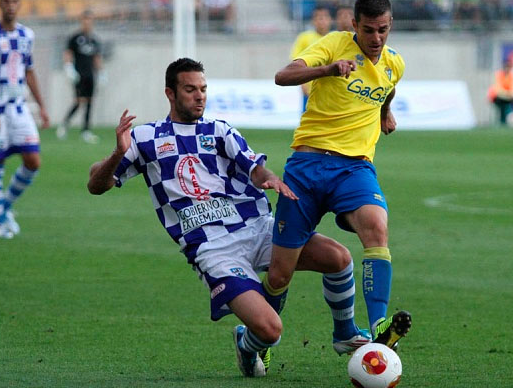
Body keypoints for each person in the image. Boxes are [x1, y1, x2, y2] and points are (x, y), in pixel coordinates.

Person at [87, 58, 367, 378]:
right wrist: (118, 153)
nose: (199, 96)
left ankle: (345, 334)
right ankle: (247, 345)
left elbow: (254, 166)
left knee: (339, 257)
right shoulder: (144, 139)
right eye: (190, 89)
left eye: (203, 89)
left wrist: (269, 178)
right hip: (213, 249)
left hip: (256, 227)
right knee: (271, 331)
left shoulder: (220, 130)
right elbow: (96, 185)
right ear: (170, 93)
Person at [266, 0, 412, 352]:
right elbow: (283, 76)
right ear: (353, 25)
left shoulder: (395, 63)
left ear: (390, 25)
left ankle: (379, 325)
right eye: (368, 31)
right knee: (281, 271)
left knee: (377, 226)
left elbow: (387, 88)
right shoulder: (333, 44)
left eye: (382, 30)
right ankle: (257, 340)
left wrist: (384, 112)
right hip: (307, 165)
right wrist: (328, 70)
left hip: (354, 168)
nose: (376, 39)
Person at [0, 0, 49, 239]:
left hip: (19, 108)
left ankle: (5, 206)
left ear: (19, 5)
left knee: (33, 160)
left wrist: (41, 106)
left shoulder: (26, 35)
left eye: (15, 2)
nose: (11, 6)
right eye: (7, 1)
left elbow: (29, 71)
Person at [57, 10, 103, 144]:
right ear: (82, 21)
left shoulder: (94, 40)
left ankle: (86, 131)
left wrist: (101, 73)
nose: (88, 22)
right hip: (79, 75)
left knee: (89, 102)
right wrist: (68, 68)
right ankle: (64, 125)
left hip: (90, 75)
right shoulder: (75, 38)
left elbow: (97, 58)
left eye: (90, 20)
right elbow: (68, 53)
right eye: (85, 20)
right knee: (78, 101)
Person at [289, 6, 332, 111]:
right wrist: (302, 83)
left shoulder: (335, 38)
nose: (321, 21)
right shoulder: (304, 38)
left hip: (331, 91)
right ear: (313, 20)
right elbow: (296, 62)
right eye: (318, 18)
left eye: (324, 17)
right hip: (310, 90)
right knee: (308, 122)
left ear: (330, 20)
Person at [488, 59, 513, 126]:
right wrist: (507, 94)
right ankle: (502, 121)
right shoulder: (498, 75)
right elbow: (497, 89)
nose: (507, 68)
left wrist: (512, 94)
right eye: (506, 66)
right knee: (502, 104)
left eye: (509, 66)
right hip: (498, 97)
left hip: (509, 96)